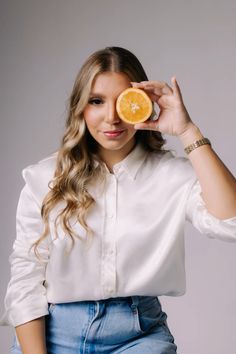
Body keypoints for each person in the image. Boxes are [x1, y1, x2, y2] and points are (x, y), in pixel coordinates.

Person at [1, 46, 236, 354]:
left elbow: (231, 223)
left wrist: (187, 130)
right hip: (52, 334)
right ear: (80, 108)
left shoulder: (173, 176)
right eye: (97, 101)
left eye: (123, 101)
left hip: (137, 337)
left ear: (143, 104)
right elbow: (26, 277)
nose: (111, 117)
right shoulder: (44, 177)